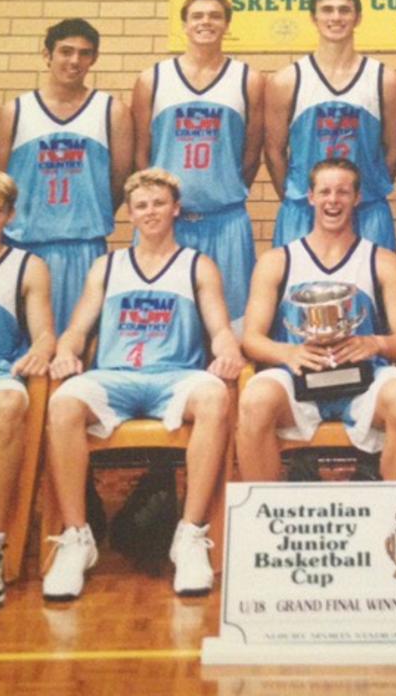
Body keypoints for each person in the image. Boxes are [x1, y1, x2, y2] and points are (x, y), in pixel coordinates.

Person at [42, 168, 244, 601]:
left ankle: (189, 535)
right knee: (63, 404)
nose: (150, 212)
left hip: (175, 377)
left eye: (158, 203)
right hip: (115, 377)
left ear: (175, 209)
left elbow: (220, 328)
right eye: (141, 206)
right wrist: (66, 349)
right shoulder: (108, 265)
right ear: (129, 215)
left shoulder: (197, 264)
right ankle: (77, 538)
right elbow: (78, 329)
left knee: (212, 396)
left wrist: (227, 349)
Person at [237, 158, 396, 482]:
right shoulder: (277, 261)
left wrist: (375, 342)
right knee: (255, 400)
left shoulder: (382, 261)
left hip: (363, 379)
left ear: (357, 198)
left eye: (342, 192)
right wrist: (288, 353)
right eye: (324, 192)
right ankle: (265, 524)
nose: (333, 200)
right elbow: (251, 339)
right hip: (297, 377)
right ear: (310, 197)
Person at [0, 18, 133, 335]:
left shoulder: (111, 111)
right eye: (66, 51)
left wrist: (84, 214)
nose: (74, 61)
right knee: (21, 349)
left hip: (84, 247)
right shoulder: (15, 112)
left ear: (94, 58)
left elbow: (120, 183)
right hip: (24, 246)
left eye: (84, 53)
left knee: (77, 346)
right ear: (47, 55)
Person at [132, 0, 264, 335]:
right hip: (166, 224)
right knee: (164, 327)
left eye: (215, 16)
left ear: (226, 25)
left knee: (234, 328)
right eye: (198, 16)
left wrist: (222, 189)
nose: (206, 22)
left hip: (225, 220)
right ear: (185, 26)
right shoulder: (153, 79)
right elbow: (142, 155)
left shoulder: (247, 79)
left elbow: (251, 153)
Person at [265, 0, 396, 251]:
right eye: (327, 10)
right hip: (303, 210)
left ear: (358, 18)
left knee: (372, 290)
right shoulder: (287, 80)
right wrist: (297, 195)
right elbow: (273, 152)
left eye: (344, 10)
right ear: (313, 18)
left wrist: (367, 188)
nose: (336, 17)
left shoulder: (384, 80)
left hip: (366, 210)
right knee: (297, 291)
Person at [0, 171, 54, 607]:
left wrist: (40, 351)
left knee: (9, 403)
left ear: (10, 215)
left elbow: (45, 335)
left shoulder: (27, 265)